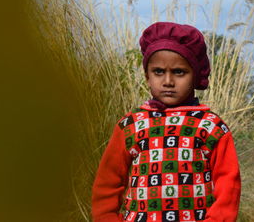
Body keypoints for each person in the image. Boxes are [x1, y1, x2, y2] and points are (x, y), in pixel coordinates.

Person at [92, 22, 241, 222]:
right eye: (159, 72)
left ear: (195, 76)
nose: (168, 81)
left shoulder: (211, 126)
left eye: (179, 72)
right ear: (147, 76)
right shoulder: (131, 125)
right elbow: (108, 181)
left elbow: (228, 184)